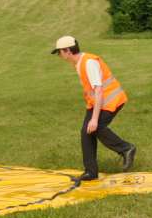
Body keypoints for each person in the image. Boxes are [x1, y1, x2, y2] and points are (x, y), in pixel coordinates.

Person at [51, 35, 136, 181]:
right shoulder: (79, 62)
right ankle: (91, 172)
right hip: (97, 102)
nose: (59, 55)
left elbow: (99, 90)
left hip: (110, 100)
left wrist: (94, 119)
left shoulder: (89, 63)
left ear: (68, 51)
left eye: (59, 52)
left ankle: (126, 149)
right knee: (86, 132)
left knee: (96, 127)